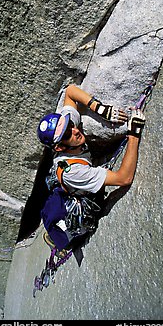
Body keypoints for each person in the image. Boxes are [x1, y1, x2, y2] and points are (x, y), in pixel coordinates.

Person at [37, 84, 145, 253]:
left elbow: (70, 91)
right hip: (79, 192)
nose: (74, 130)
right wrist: (134, 135)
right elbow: (124, 178)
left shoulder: (68, 131)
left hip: (71, 179)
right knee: (84, 220)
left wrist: (101, 109)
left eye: (70, 124)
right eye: (67, 134)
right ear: (58, 147)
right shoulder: (74, 172)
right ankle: (62, 238)